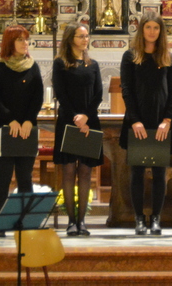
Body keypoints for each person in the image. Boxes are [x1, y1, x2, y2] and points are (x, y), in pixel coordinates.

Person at [0, 25, 43, 236]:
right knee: (3, 176)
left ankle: (25, 222)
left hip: (26, 129)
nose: (25, 43)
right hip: (3, 128)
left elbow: (37, 96)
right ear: (9, 43)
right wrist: (10, 120)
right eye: (20, 40)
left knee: (25, 177)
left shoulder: (32, 66)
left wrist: (29, 120)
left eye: (26, 39)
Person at [119, 14, 172, 235]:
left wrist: (167, 120)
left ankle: (155, 218)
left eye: (156, 28)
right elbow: (127, 90)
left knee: (159, 172)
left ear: (161, 31)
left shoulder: (168, 57)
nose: (152, 31)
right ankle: (139, 219)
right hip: (138, 121)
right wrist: (134, 120)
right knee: (136, 172)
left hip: (161, 122)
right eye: (148, 27)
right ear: (141, 29)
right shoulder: (130, 56)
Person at [53, 23, 103, 236]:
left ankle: (82, 221)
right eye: (81, 36)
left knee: (85, 171)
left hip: (89, 122)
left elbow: (98, 94)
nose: (85, 40)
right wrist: (76, 117)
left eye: (86, 36)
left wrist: (86, 117)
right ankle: (71, 221)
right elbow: (60, 93)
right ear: (70, 39)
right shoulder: (60, 63)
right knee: (68, 171)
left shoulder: (93, 64)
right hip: (68, 120)